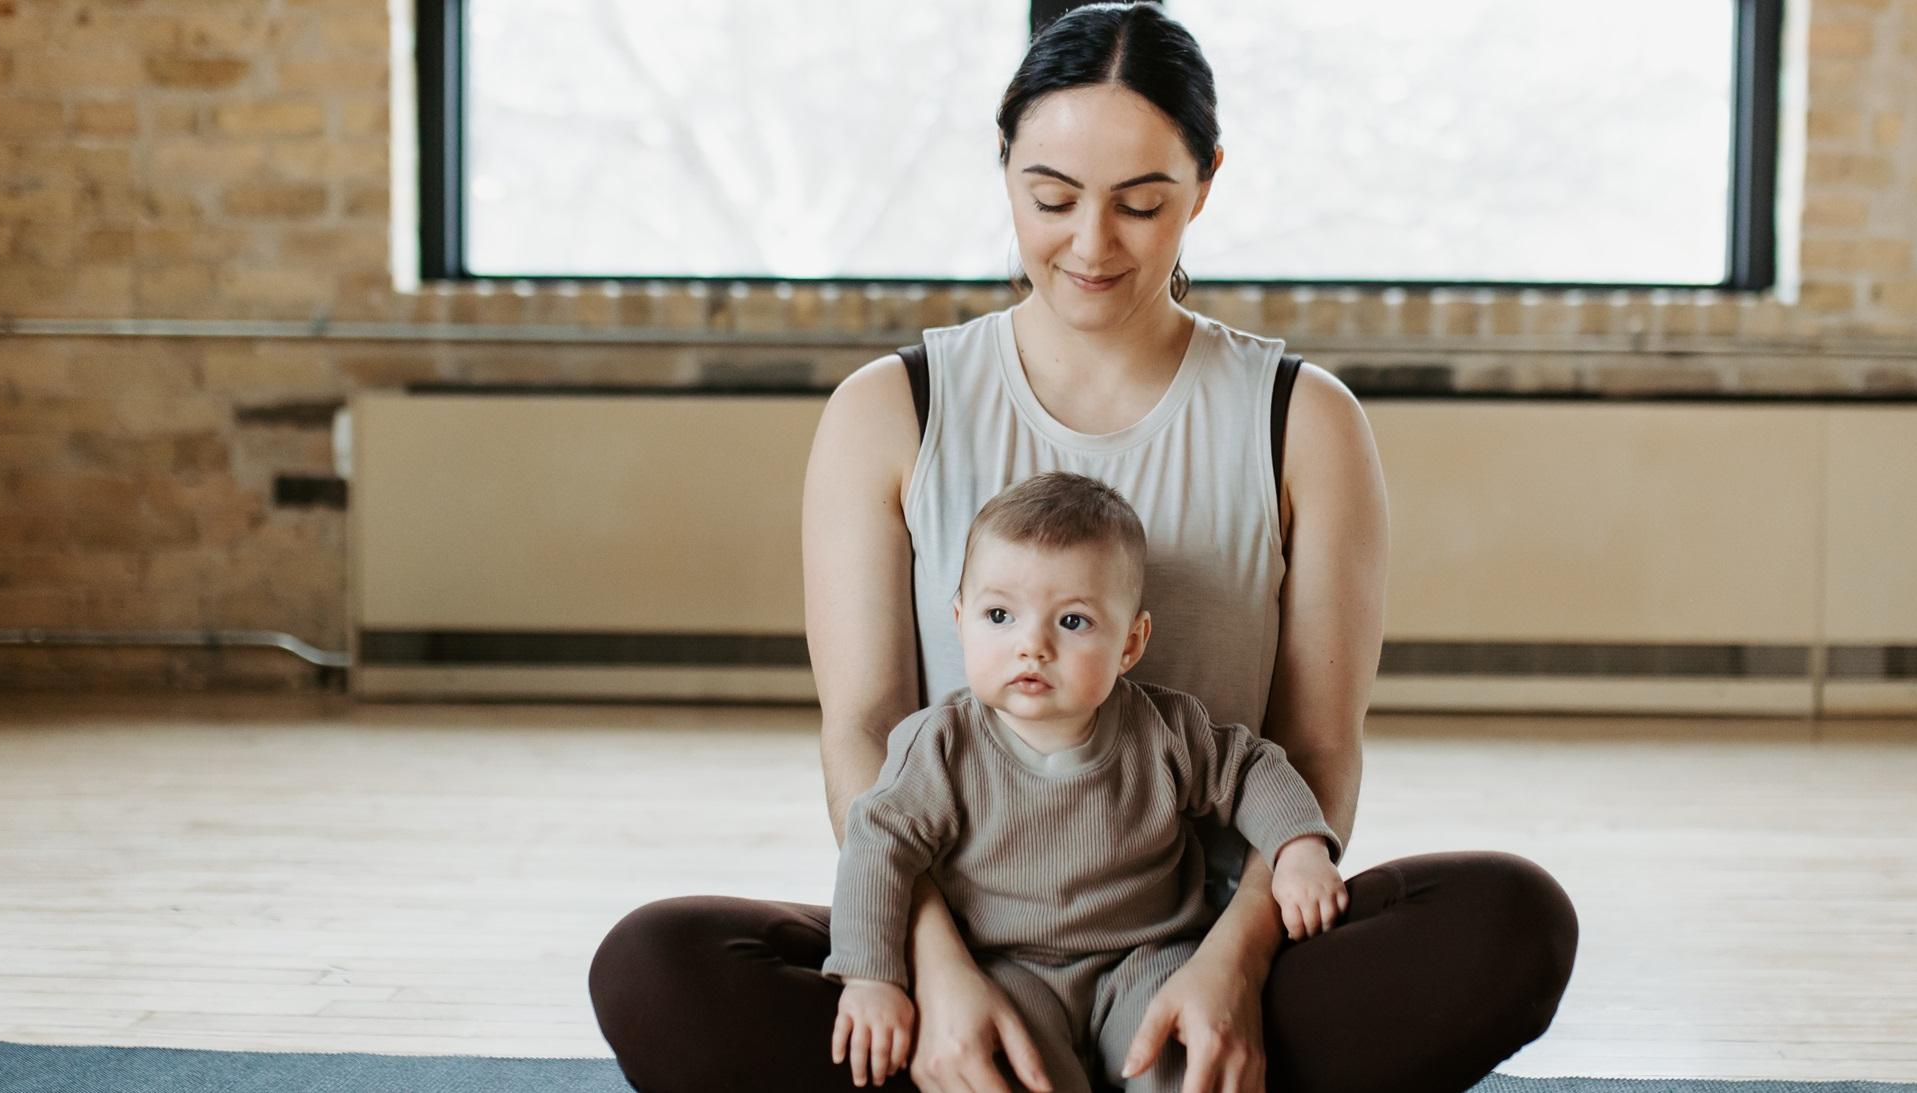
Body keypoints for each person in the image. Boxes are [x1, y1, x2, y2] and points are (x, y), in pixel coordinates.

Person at [591, 5, 1580, 1092]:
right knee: (656, 967)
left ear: (1203, 183)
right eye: (1051, 198)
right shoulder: (889, 410)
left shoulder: (1304, 419)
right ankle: (990, 1059)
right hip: (957, 933)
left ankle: (1176, 1053)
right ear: (1005, 169)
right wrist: (935, 978)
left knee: (1511, 918)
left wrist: (1234, 966)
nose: (1091, 245)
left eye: (1141, 203)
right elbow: (864, 735)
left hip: (1199, 935)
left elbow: (1314, 750)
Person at [825, 471, 1349, 1092]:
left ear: (1130, 644)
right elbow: (876, 848)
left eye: (1073, 622)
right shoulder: (940, 744)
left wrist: (1298, 848)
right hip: (1005, 966)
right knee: (1013, 1071)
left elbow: (1252, 768)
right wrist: (872, 977)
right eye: (999, 615)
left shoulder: (1164, 728)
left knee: (1183, 1064)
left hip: (1148, 956)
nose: (1032, 646)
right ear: (960, 621)